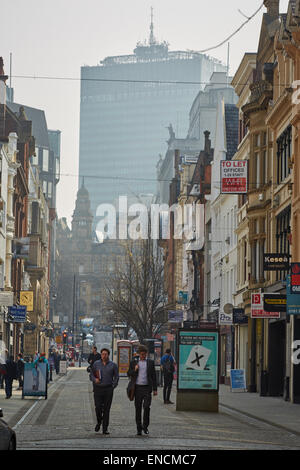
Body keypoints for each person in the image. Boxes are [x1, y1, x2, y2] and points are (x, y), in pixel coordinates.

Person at [127, 344, 157, 436]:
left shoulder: (150, 363)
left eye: (145, 354)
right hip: (137, 388)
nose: (143, 356)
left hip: (147, 388)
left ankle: (145, 426)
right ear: (139, 354)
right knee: (138, 409)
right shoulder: (134, 362)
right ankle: (139, 428)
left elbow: (153, 376)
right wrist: (135, 370)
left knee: (147, 407)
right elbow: (128, 373)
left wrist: (155, 389)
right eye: (142, 354)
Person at [90, 348, 119, 435]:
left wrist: (113, 386)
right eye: (102, 354)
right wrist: (95, 380)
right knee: (98, 407)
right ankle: (99, 422)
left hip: (108, 389)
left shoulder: (113, 365)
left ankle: (105, 428)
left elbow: (116, 377)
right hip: (98, 389)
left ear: (108, 355)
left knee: (106, 409)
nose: (104, 356)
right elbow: (91, 374)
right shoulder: (96, 364)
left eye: (105, 354)